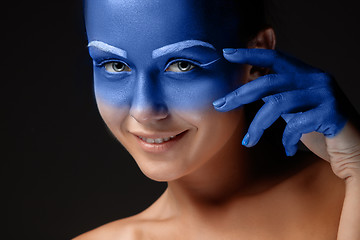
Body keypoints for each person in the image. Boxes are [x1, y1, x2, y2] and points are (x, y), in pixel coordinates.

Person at [75, 0, 360, 239]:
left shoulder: (349, 190)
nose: (143, 109)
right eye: (115, 66)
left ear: (258, 58)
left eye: (182, 65)